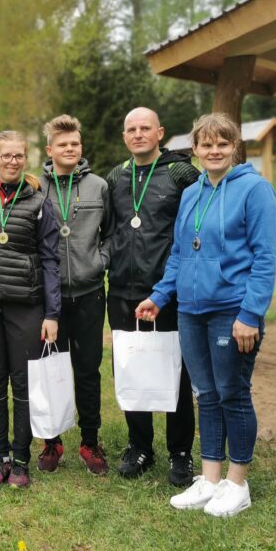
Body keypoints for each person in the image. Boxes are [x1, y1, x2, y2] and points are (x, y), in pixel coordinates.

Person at [136, 112, 276, 518]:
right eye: (206, 144)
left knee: (233, 392)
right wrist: (161, 296)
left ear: (235, 148)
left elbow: (265, 259)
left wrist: (250, 314)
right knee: (206, 395)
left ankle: (237, 483)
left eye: (223, 144)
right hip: (190, 311)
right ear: (195, 149)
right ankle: (211, 479)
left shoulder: (255, 190)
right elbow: (180, 253)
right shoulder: (192, 192)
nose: (214, 151)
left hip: (232, 311)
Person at [106, 106, 199, 486]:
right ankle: (139, 446)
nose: (139, 134)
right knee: (132, 368)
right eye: (132, 129)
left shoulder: (182, 173)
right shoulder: (115, 177)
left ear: (160, 132)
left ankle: (181, 453)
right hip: (123, 292)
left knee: (176, 373)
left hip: (169, 292)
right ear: (125, 136)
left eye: (146, 128)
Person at [0, 130, 60, 490]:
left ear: (26, 159)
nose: (12, 161)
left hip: (26, 306)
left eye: (18, 155)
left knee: (23, 384)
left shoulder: (39, 203)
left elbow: (51, 260)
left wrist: (52, 314)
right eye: (5, 155)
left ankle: (21, 458)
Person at [35, 115, 112, 475]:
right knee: (51, 369)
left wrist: (100, 261)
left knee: (87, 369)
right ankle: (52, 442)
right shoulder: (35, 188)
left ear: (81, 147)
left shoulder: (98, 186)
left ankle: (90, 440)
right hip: (47, 299)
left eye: (75, 144)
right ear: (50, 150)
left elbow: (111, 233)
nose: (70, 149)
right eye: (62, 144)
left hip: (89, 292)